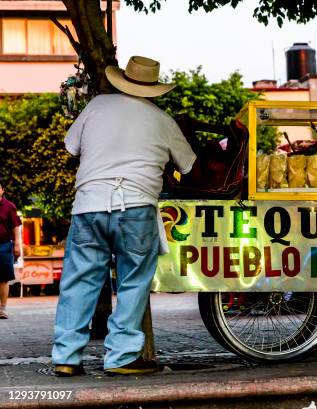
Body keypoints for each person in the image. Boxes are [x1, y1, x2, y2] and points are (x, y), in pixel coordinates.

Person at [52, 56, 200, 377]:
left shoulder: (97, 106)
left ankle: (66, 356)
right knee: (134, 280)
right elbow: (189, 166)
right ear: (154, 89)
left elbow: (71, 146)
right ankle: (120, 357)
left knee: (80, 280)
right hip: (137, 207)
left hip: (90, 205)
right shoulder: (164, 121)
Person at [0, 181, 22, 319]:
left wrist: (17, 244)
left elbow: (15, 227)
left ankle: (2, 309)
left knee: (3, 278)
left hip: (3, 245)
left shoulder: (9, 207)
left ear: (2, 190)